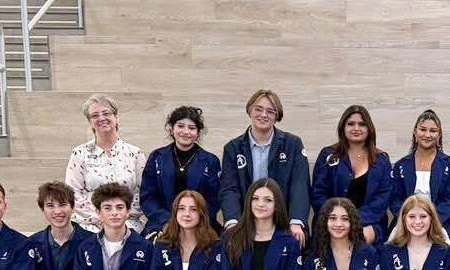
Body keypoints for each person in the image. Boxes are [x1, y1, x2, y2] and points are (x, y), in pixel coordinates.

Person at [219, 90, 312, 245]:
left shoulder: (293, 144)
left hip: (284, 222)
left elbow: (300, 185)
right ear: (249, 110)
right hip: (246, 223)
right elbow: (229, 188)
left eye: (270, 111)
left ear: (277, 116)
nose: (263, 115)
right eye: (258, 109)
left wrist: (296, 221)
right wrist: (232, 221)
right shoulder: (233, 148)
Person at [65, 94, 148, 233]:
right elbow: (72, 194)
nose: (101, 118)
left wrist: (120, 218)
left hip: (129, 225)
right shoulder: (79, 153)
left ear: (116, 118)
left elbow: (143, 192)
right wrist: (102, 218)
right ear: (90, 122)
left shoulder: (135, 153)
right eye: (95, 116)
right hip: (91, 227)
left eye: (106, 113)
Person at [312, 105, 393, 244]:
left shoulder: (382, 160)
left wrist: (354, 222)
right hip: (331, 225)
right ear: (343, 127)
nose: (356, 128)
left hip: (369, 224)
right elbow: (318, 194)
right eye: (351, 124)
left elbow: (383, 198)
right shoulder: (328, 155)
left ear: (369, 128)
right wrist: (339, 221)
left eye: (362, 124)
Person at [141, 105, 222, 236]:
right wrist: (167, 221)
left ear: (198, 133)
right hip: (162, 223)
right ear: (172, 128)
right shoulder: (157, 157)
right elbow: (147, 197)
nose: (186, 131)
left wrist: (196, 221)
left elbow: (214, 199)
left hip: (201, 224)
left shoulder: (211, 161)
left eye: (191, 128)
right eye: (180, 126)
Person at [389, 109, 450, 239]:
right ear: (415, 132)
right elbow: (395, 199)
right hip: (406, 225)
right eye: (422, 130)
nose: (427, 135)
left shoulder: (449, 164)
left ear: (439, 135)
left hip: (440, 224)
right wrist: (410, 221)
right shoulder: (401, 165)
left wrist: (431, 221)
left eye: (433, 131)